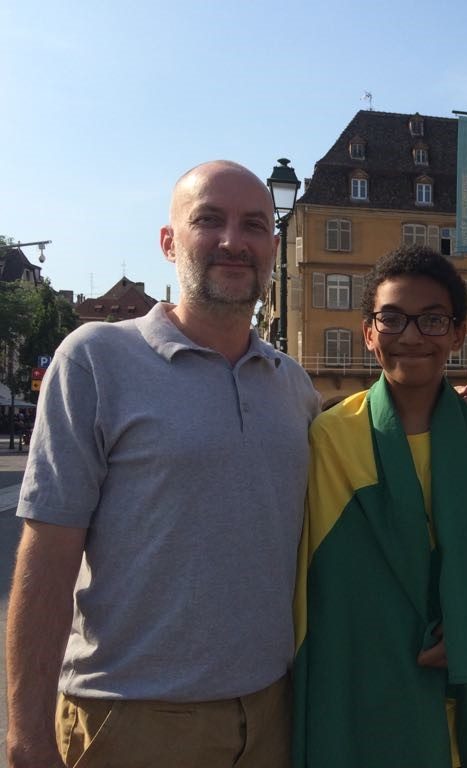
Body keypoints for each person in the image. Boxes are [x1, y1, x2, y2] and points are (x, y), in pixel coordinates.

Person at [5, 160, 321, 768]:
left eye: (254, 225)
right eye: (209, 220)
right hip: (130, 718)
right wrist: (26, 737)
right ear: (169, 242)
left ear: (273, 247)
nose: (233, 240)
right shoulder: (97, 357)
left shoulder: (295, 387)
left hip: (272, 714)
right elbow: (46, 557)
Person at [293, 245, 467, 768]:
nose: (412, 336)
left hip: (449, 680)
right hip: (355, 672)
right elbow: (317, 575)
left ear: (458, 333)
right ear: (368, 331)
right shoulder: (328, 437)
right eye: (392, 318)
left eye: (433, 320)